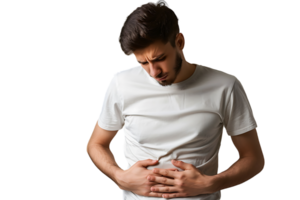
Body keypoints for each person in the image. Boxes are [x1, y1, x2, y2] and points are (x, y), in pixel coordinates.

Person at [85, 1, 266, 199]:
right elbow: (95, 144)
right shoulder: (120, 83)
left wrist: (210, 183)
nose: (154, 72)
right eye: (143, 63)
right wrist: (120, 177)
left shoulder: (226, 86)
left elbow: (254, 159)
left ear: (180, 42)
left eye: (159, 58)